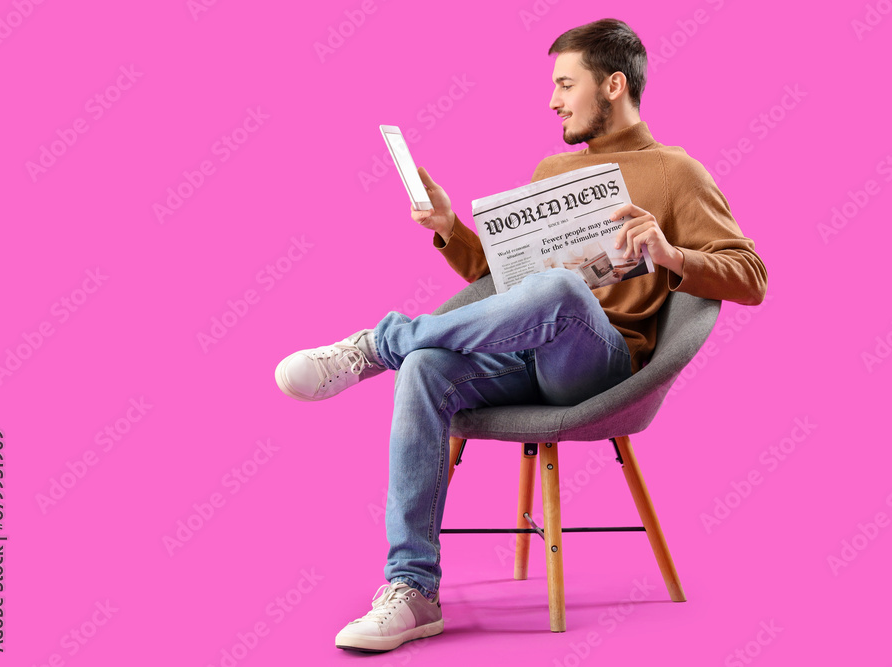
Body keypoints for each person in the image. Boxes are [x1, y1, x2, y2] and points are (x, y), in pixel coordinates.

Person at [274, 18, 767, 653]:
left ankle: (376, 344)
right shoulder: (553, 169)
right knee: (427, 366)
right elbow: (501, 285)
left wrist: (672, 256)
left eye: (567, 84)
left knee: (562, 291)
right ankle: (412, 590)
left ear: (613, 85)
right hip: (527, 351)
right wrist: (451, 228)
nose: (554, 100)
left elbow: (751, 276)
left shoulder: (677, 173)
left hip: (604, 368)